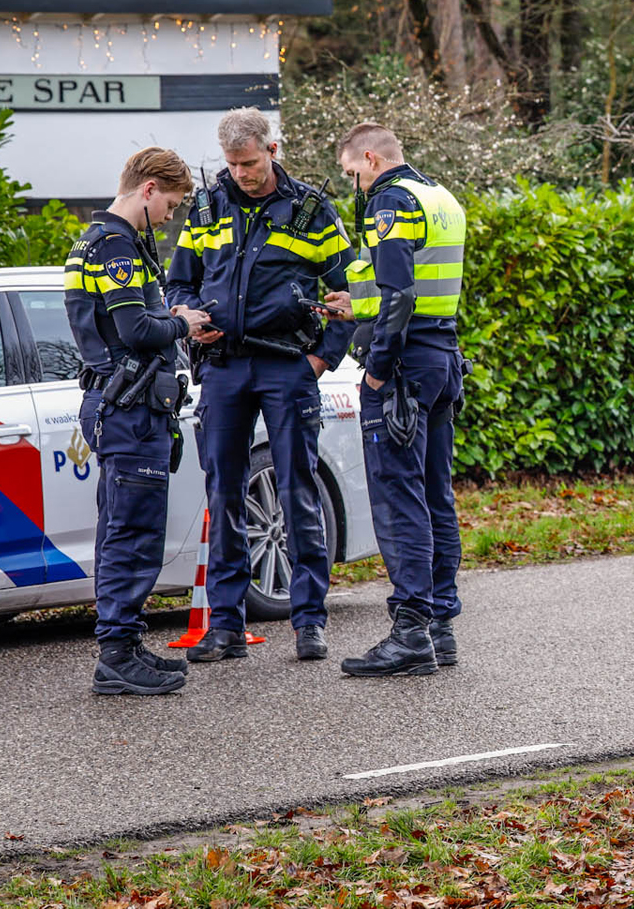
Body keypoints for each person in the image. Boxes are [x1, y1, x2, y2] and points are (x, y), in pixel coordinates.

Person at [165, 108, 354, 663]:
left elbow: (350, 292)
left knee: (298, 490)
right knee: (224, 492)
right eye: (232, 164)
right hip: (223, 367)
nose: (242, 173)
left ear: (272, 151)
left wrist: (322, 359)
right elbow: (181, 280)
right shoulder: (206, 205)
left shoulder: (312, 211)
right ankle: (224, 627)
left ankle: (309, 622)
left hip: (286, 367)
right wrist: (190, 316)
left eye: (249, 163)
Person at [65, 148, 213, 694]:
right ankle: (117, 657)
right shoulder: (117, 245)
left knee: (124, 531)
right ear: (148, 189)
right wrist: (182, 323)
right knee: (133, 534)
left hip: (120, 404)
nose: (169, 217)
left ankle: (125, 644)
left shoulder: (92, 241)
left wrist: (167, 320)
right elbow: (134, 331)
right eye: (169, 205)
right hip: (129, 409)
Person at [329, 122, 468, 676]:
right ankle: (440, 627)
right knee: (437, 493)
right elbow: (419, 290)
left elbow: (401, 293)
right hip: (441, 358)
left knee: (398, 497)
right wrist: (355, 306)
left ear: (369, 158)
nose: (352, 184)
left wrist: (378, 372)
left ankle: (409, 631)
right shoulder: (439, 197)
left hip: (404, 368)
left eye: (350, 172)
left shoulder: (391, 200)